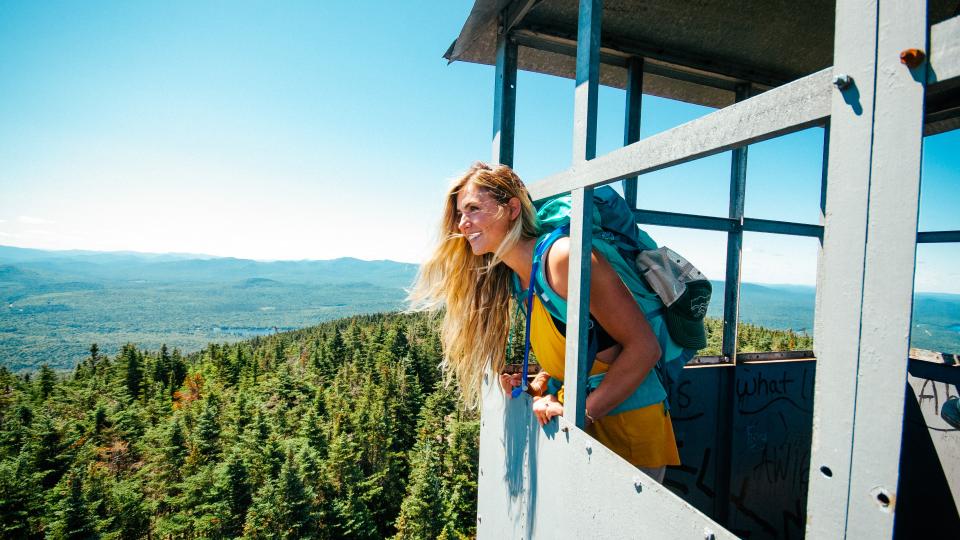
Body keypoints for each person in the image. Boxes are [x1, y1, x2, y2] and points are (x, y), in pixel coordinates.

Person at [409, 162, 680, 481]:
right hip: (590, 424)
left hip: (629, 429)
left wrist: (580, 411)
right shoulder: (519, 279)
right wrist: (543, 381)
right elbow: (590, 344)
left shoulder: (563, 259)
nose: (463, 224)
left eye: (473, 209)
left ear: (511, 209)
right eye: (459, 213)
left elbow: (645, 348)